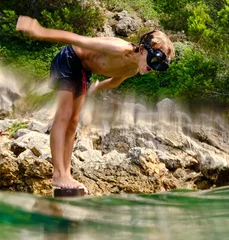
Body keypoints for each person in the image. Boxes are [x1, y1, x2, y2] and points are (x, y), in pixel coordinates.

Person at [16, 16, 175, 191]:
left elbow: (114, 82)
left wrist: (96, 88)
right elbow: (77, 39)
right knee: (64, 115)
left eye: (160, 67)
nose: (154, 68)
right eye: (154, 61)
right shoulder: (118, 48)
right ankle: (58, 174)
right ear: (143, 49)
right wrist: (41, 31)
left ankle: (65, 174)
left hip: (84, 71)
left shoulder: (131, 70)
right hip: (69, 59)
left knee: (74, 121)